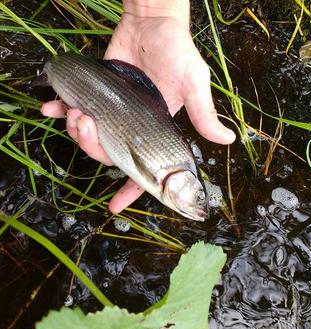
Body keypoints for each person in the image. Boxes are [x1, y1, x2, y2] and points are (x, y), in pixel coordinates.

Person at [41, 0, 236, 214]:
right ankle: (50, 65)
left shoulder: (172, 169)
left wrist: (159, 11)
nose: (202, 209)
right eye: (200, 197)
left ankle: (49, 66)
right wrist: (157, 15)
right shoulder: (168, 169)